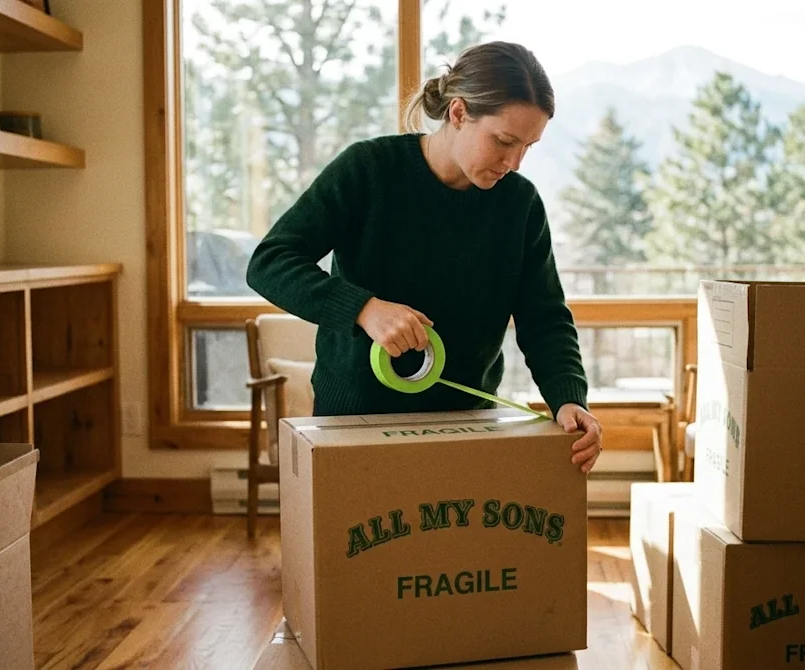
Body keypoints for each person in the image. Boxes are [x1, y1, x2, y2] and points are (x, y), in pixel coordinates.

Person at [245, 41, 602, 473]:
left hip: (468, 427)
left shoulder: (520, 204)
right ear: (458, 113)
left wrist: (568, 398)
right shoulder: (369, 169)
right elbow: (270, 262)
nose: (515, 162)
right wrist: (364, 309)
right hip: (351, 425)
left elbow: (544, 317)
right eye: (504, 141)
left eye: (528, 146)